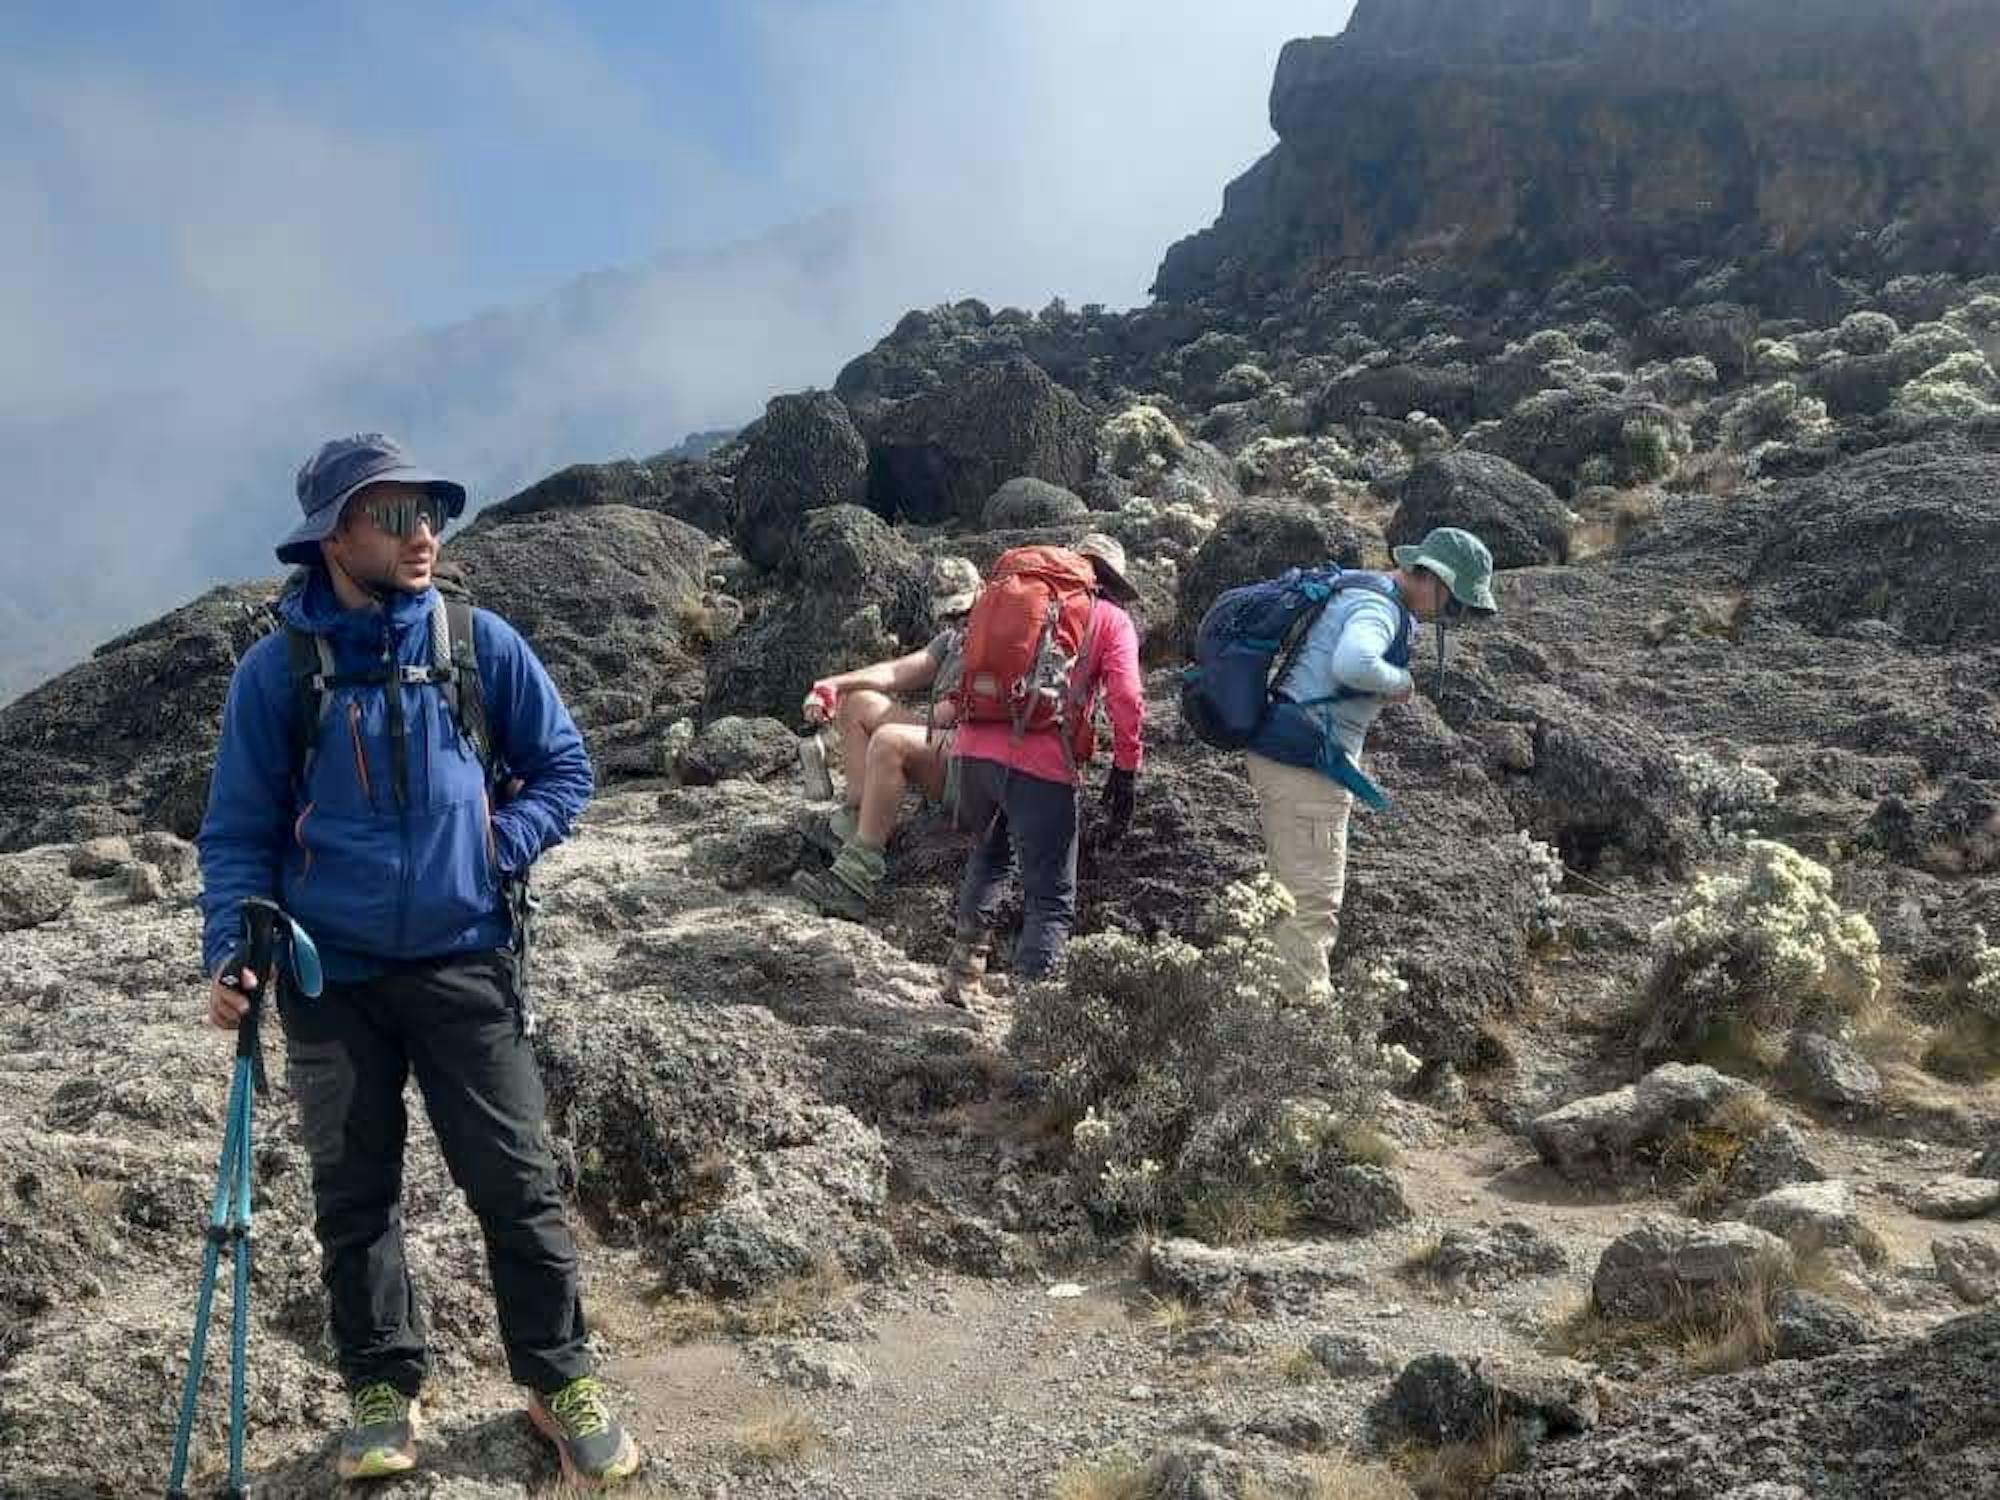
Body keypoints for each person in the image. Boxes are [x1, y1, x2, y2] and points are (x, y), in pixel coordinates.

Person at [196, 434, 639, 1488]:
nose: (423, 533)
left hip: (464, 960)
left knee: (516, 1182)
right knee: (355, 1195)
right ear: (335, 536)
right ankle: (381, 1388)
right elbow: (237, 833)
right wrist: (231, 949)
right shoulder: (278, 674)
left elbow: (562, 769)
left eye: (429, 512)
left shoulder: (475, 643)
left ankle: (557, 1378)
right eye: (393, 515)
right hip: (327, 980)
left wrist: (495, 848)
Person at [1245, 525, 1496, 994]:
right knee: (1310, 910)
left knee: (1287, 901)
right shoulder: (1380, 606)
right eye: (1456, 604)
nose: (1454, 617)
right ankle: (1302, 1035)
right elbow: (1354, 663)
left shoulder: (1361, 590)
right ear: (1430, 577)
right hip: (1306, 770)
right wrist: (1398, 682)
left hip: (1291, 755)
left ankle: (1262, 1019)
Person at [943, 533, 1146, 1004]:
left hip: (973, 749)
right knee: (1051, 897)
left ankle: (962, 974)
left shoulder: (1017, 596)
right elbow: (1128, 698)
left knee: (990, 857)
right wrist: (1126, 767)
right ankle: (1035, 1014)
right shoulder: (1111, 619)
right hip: (1041, 763)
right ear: (1114, 579)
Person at [789, 557, 980, 918]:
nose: (958, 622)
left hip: (976, 766)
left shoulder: (998, 637)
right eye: (949, 616)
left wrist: (923, 720)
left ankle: (857, 879)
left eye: (963, 612)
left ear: (982, 591)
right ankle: (857, 823)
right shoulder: (952, 640)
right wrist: (832, 685)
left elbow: (946, 715)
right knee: (857, 702)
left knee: (890, 741)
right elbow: (895, 671)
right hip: (948, 748)